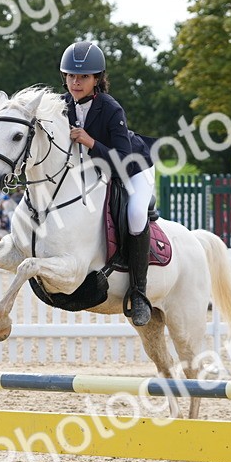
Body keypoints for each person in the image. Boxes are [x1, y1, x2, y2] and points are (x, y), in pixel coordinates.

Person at [60, 40, 157, 327]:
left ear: (97, 79)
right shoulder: (62, 104)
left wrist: (89, 141)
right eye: (71, 76)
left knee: (137, 214)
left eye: (83, 77)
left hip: (133, 168)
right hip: (92, 170)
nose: (76, 82)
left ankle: (139, 293)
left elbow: (122, 162)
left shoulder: (111, 108)